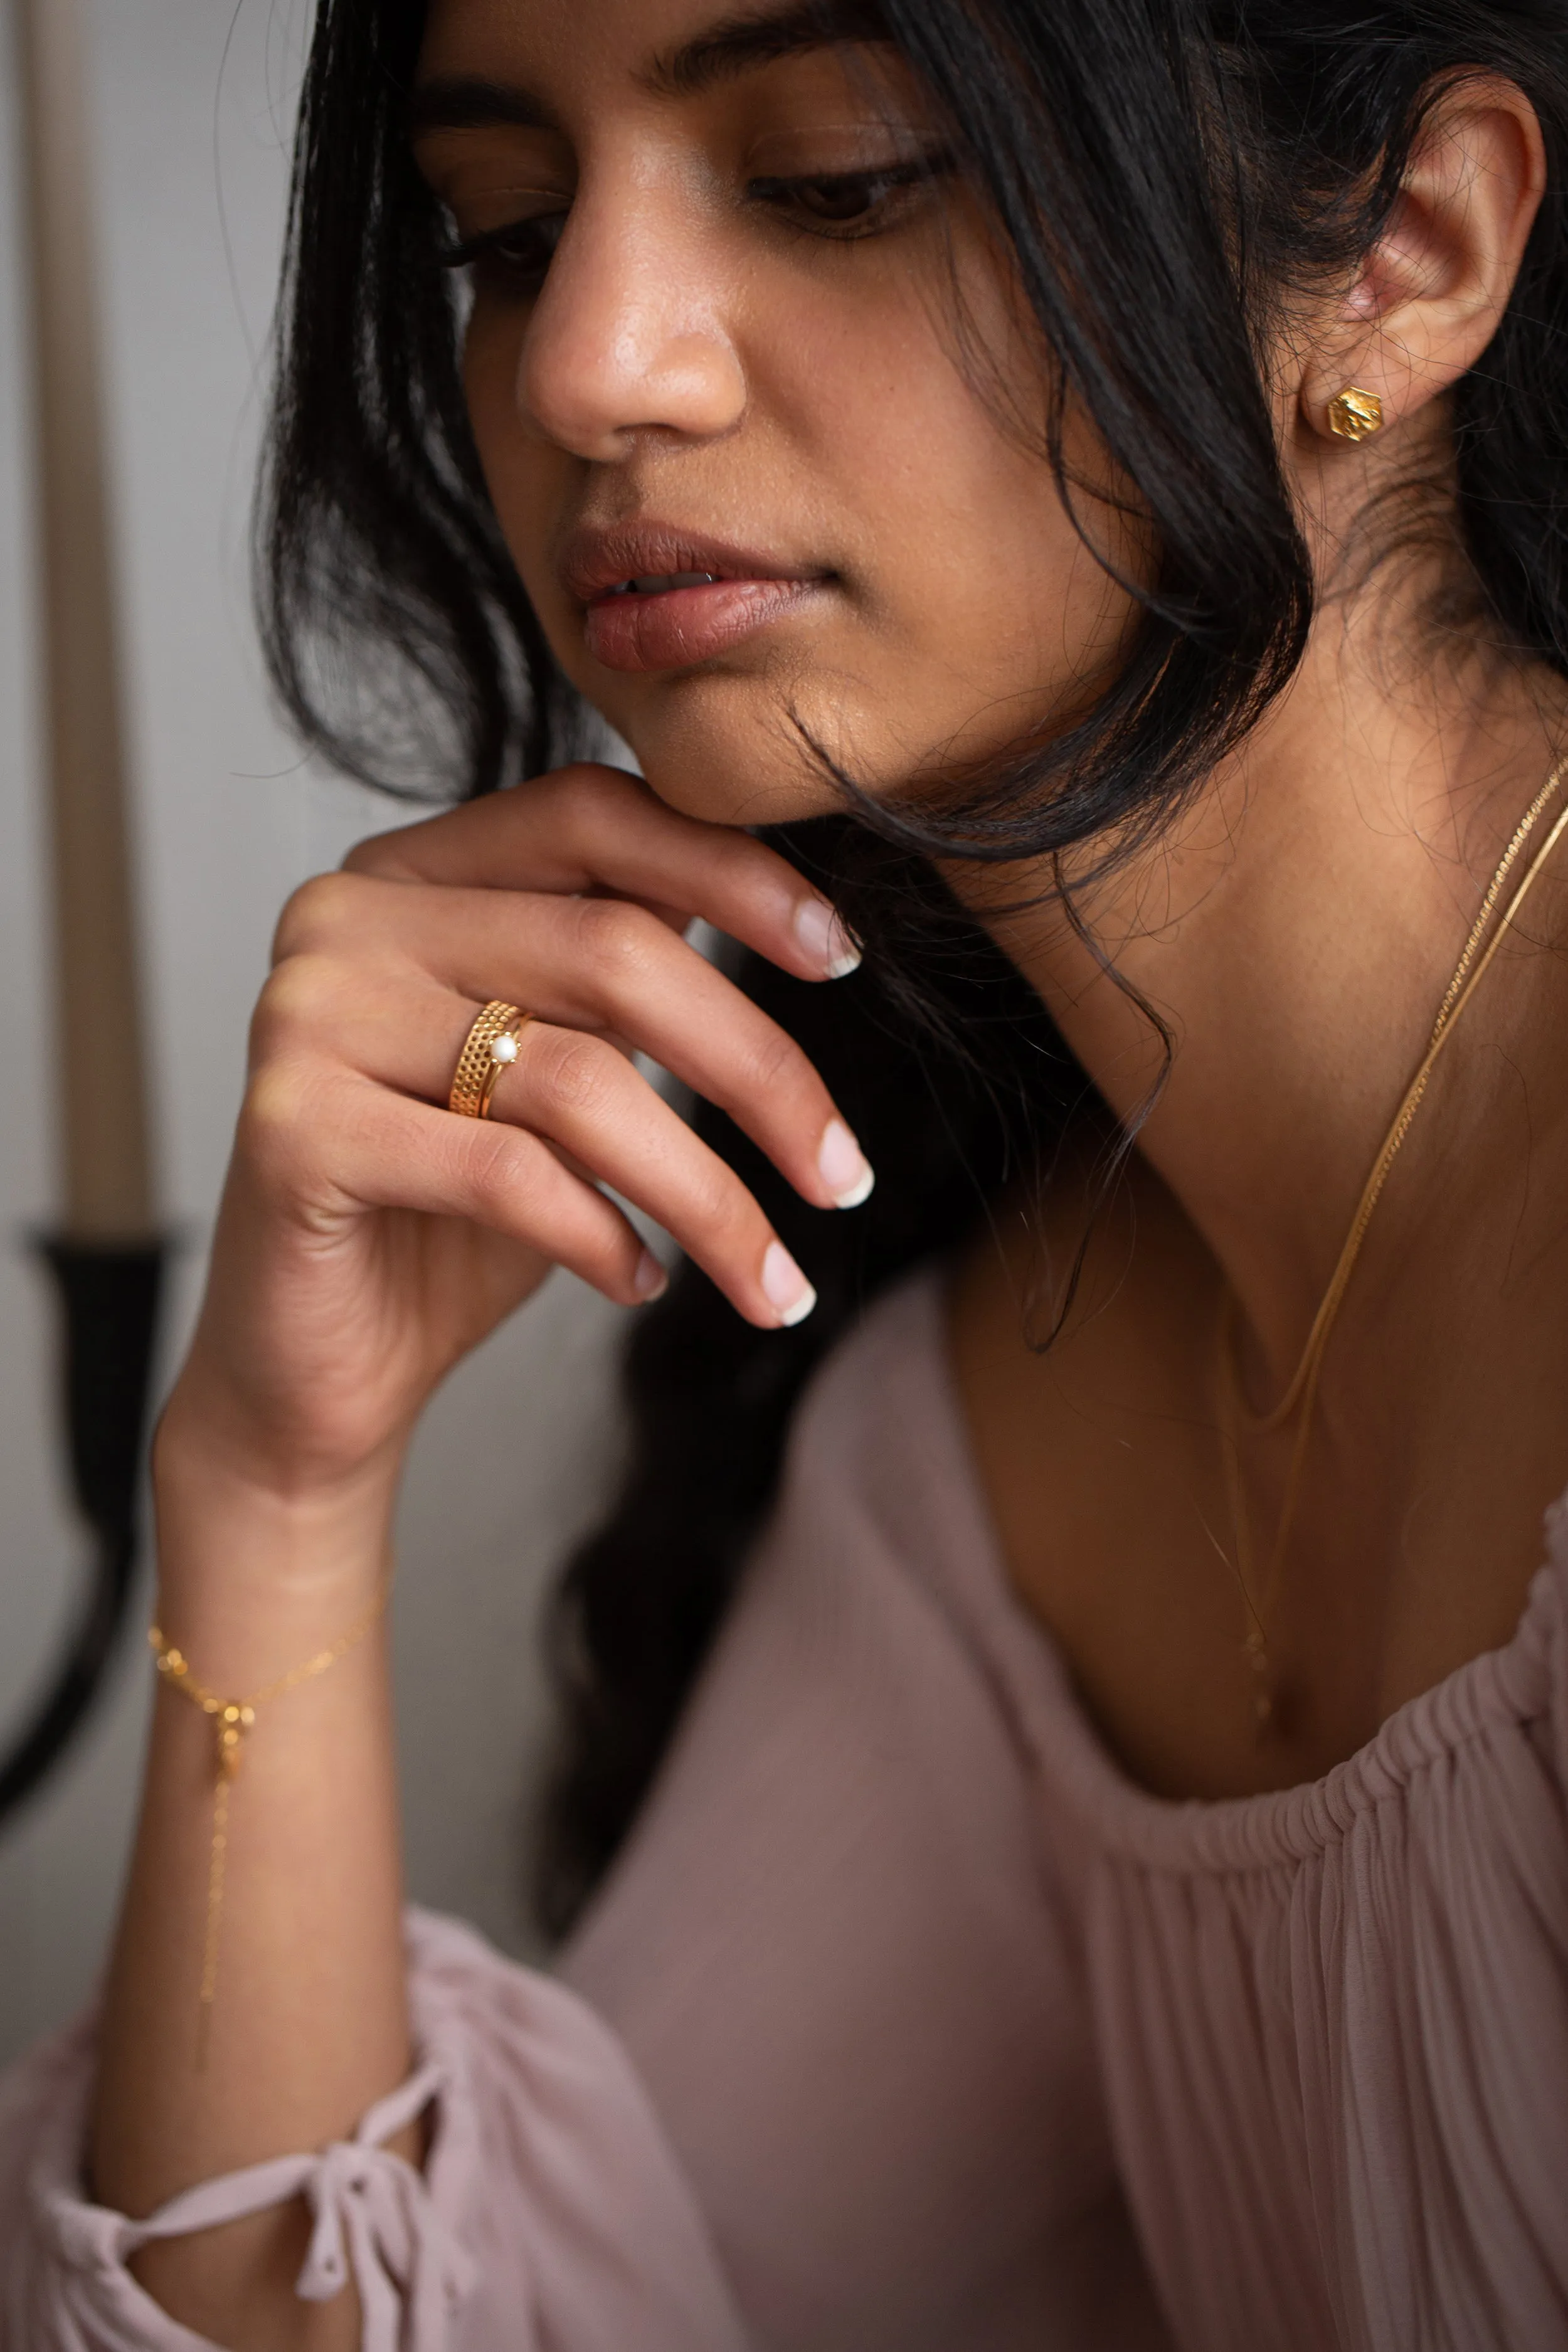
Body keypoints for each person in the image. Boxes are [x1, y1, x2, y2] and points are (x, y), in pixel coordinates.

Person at [4, 0, 1568, 2342]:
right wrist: (272, 1490)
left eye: (836, 174)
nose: (583, 371)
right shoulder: (992, 1464)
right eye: (505, 233)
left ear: (1406, 258)